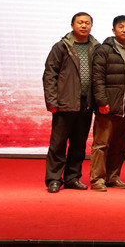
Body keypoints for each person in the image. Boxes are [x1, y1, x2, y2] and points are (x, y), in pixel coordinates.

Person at [43, 12, 99, 193]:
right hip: (64, 103)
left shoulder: (96, 47)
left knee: (79, 143)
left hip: (86, 103)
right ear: (72, 25)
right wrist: (52, 101)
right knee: (58, 143)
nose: (84, 26)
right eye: (80, 22)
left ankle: (72, 177)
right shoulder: (61, 47)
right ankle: (54, 179)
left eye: (87, 23)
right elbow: (50, 74)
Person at [89, 15, 125, 192]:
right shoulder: (104, 50)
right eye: (121, 27)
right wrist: (102, 101)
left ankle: (113, 177)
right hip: (107, 106)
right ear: (113, 30)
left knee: (121, 145)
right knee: (101, 144)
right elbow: (97, 77)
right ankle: (98, 179)